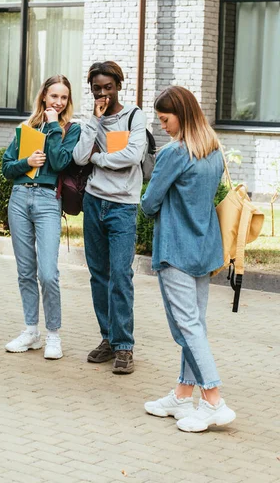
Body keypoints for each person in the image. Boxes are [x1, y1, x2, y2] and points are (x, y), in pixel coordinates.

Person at [141, 85, 236, 432]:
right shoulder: (211, 149)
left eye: (165, 119)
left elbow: (149, 203)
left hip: (176, 250)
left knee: (188, 327)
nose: (162, 126)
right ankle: (182, 395)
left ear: (181, 114)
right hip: (204, 248)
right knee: (195, 324)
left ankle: (213, 400)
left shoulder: (174, 153)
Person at [73, 61, 146, 374]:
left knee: (120, 274)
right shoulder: (93, 121)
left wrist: (100, 158)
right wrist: (93, 121)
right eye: (96, 88)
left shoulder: (133, 116)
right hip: (94, 202)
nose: (102, 93)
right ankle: (108, 339)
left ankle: (125, 346)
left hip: (122, 207)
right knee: (98, 275)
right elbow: (78, 156)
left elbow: (133, 155)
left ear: (118, 86)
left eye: (108, 87)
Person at [2, 75, 80, 360]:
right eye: (54, 96)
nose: (58, 102)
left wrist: (52, 127)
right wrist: (27, 162)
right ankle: (31, 331)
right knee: (25, 271)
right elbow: (7, 167)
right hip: (20, 198)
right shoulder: (26, 128)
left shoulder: (71, 130)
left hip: (48, 201)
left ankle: (53, 334)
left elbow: (60, 162)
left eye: (63, 98)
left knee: (48, 273)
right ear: (44, 97)